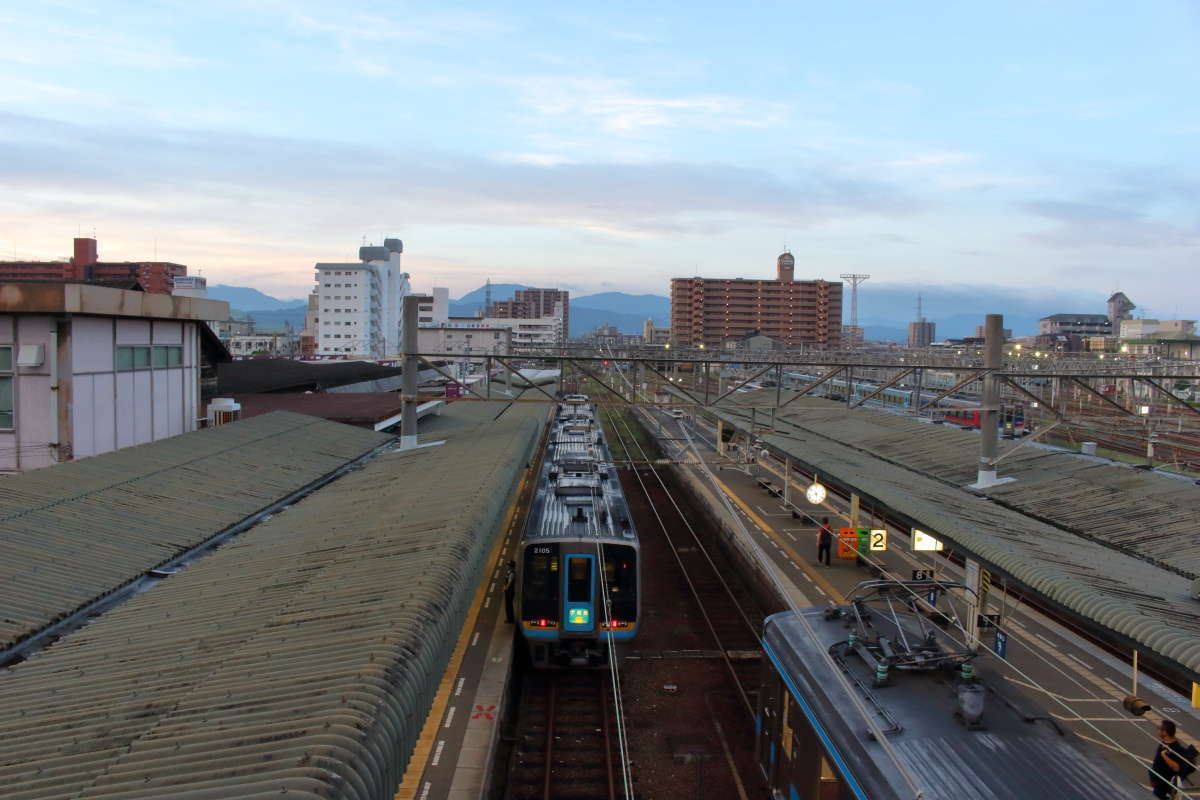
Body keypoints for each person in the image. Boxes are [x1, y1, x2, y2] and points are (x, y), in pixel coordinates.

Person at [1150, 719, 1192, 798]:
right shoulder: (1166, 743)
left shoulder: (1175, 748)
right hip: (1158, 780)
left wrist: (1164, 756)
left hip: (1164, 782)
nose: (1157, 730)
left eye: (1158, 728)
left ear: (1165, 732)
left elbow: (1176, 768)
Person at [503, 560, 517, 625]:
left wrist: (505, 588)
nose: (507, 566)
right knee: (508, 606)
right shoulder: (509, 572)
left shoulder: (512, 573)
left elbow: (509, 583)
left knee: (509, 606)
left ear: (511, 566)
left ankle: (511, 620)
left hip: (510, 592)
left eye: (508, 565)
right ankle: (509, 618)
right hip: (508, 591)